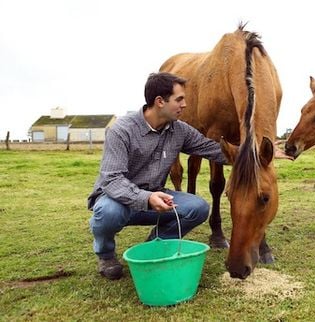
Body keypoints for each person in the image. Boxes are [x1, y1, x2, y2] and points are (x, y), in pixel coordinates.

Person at [87, 72, 230, 280]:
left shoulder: (179, 130)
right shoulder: (121, 130)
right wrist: (146, 197)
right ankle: (106, 255)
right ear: (160, 101)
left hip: (156, 198)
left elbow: (212, 149)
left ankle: (154, 245)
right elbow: (112, 180)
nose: (185, 105)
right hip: (120, 201)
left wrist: (258, 154)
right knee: (107, 212)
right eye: (179, 99)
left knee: (198, 208)